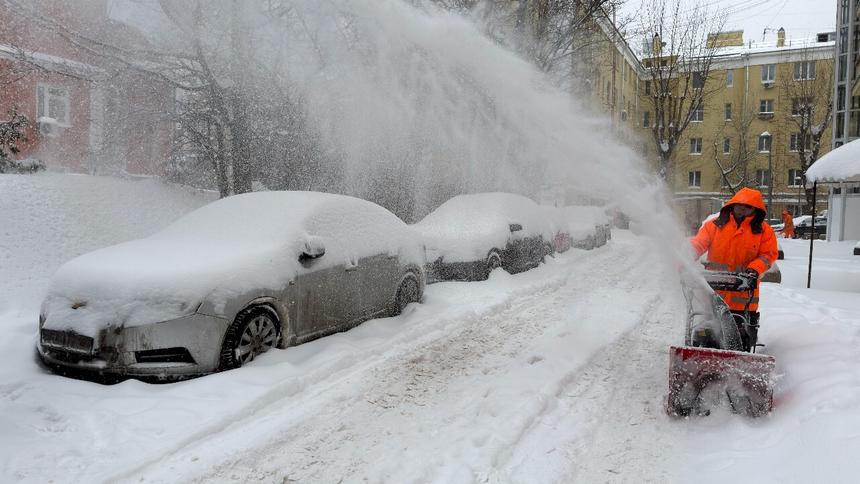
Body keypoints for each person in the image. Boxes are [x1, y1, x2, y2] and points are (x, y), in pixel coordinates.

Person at [690, 188, 779, 350]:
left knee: (739, 340)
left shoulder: (763, 231)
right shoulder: (714, 226)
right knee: (707, 335)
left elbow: (768, 255)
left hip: (743, 298)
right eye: (739, 205)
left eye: (747, 206)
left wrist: (754, 269)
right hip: (714, 293)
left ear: (756, 209)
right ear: (732, 205)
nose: (742, 209)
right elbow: (698, 243)